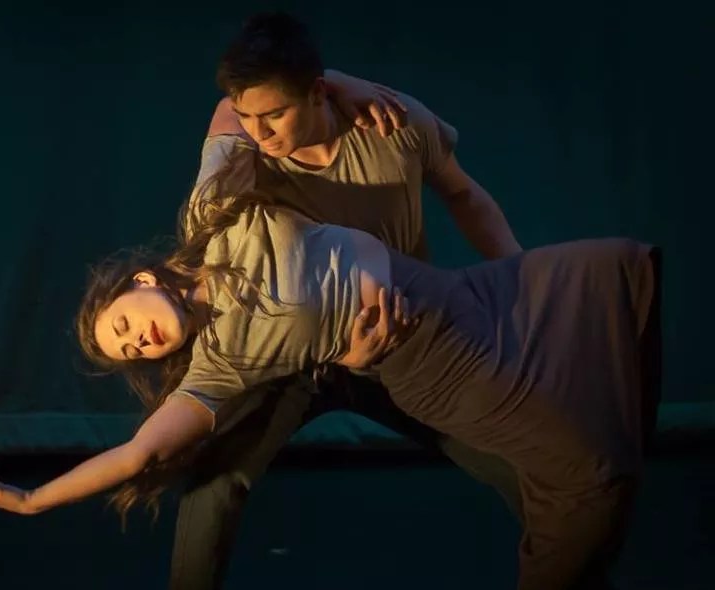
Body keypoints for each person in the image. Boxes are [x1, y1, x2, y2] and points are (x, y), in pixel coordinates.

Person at [0, 189, 662, 590]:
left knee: (573, 329)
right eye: (131, 351)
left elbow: (238, 102)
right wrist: (34, 499)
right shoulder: (215, 367)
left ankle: (571, 540)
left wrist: (350, 87)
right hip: (353, 361)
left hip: (410, 330)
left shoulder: (215, 220)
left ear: (142, 281)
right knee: (216, 480)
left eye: (126, 325)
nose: (139, 342)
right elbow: (140, 453)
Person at [168, 12, 526, 589]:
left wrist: (521, 278)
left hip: (395, 332)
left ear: (315, 94)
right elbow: (227, 114)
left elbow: (465, 196)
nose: (259, 132)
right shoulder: (246, 155)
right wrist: (337, 80)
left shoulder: (394, 126)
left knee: (515, 459)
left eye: (274, 115)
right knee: (215, 480)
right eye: (248, 116)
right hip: (290, 354)